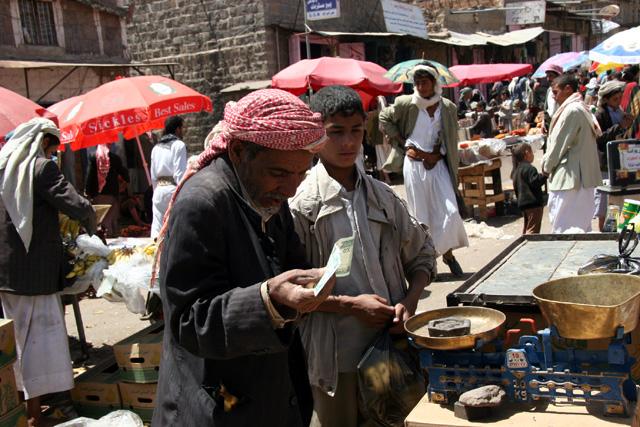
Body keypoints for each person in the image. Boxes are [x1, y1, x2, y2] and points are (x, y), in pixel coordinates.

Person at [152, 89, 337, 427]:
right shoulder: (202, 205)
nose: (291, 189)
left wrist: (309, 285)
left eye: (301, 175)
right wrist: (267, 300)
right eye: (279, 174)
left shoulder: (270, 196)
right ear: (238, 151)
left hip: (270, 396)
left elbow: (290, 265)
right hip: (217, 406)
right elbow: (189, 321)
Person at [289, 86, 437, 427]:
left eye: (355, 131)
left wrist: (410, 301)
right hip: (334, 360)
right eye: (335, 132)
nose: (348, 143)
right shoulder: (302, 206)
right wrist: (350, 305)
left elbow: (423, 254)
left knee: (392, 419)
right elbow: (289, 291)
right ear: (317, 134)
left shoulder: (383, 197)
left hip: (389, 350)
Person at [0, 118, 96, 427]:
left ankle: (19, 408)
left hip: (6, 273)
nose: (53, 154)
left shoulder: (3, 167)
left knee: (14, 344)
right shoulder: (40, 168)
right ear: (43, 142)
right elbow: (74, 203)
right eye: (53, 149)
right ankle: (34, 414)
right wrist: (90, 217)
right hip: (34, 274)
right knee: (37, 345)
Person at [380, 62, 468, 277]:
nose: (421, 87)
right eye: (417, 83)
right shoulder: (406, 103)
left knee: (450, 211)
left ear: (434, 83)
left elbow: (450, 136)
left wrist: (441, 153)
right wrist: (401, 141)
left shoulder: (447, 107)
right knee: (421, 215)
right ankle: (429, 262)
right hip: (414, 165)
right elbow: (384, 117)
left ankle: (447, 253)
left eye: (425, 82)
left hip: (437, 164)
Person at [542, 74, 603, 233]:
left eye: (556, 92)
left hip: (571, 180)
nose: (554, 97)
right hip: (579, 180)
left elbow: (558, 146)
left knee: (565, 231)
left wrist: (546, 167)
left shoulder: (572, 110)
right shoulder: (580, 108)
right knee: (580, 231)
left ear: (568, 89)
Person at [594, 80, 633, 230]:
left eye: (619, 98)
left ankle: (618, 229)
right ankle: (602, 231)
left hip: (620, 161)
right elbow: (599, 138)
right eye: (615, 99)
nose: (618, 102)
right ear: (606, 99)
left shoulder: (620, 112)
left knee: (618, 199)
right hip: (606, 163)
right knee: (604, 200)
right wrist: (619, 126)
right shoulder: (600, 115)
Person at [150, 116, 188, 238]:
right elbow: (180, 174)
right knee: (174, 229)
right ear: (177, 129)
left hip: (158, 191)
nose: (183, 131)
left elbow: (153, 176)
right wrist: (183, 193)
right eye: (182, 128)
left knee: (157, 230)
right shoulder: (179, 145)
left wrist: (156, 192)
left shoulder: (156, 148)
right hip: (172, 191)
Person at [85, 144, 129, 237]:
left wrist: (88, 192)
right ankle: (111, 236)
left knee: (102, 219)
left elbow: (89, 177)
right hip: (112, 194)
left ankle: (105, 238)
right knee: (111, 218)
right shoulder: (115, 158)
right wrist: (123, 184)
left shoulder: (94, 158)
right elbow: (125, 173)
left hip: (98, 194)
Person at [511, 143, 547, 234]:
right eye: (532, 152)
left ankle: (524, 240)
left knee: (528, 227)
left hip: (523, 205)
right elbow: (535, 182)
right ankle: (529, 242)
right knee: (533, 230)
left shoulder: (516, 171)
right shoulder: (530, 169)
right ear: (527, 153)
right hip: (533, 204)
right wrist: (544, 175)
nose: (533, 155)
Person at [543, 64, 563, 133]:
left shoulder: (564, 91)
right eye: (547, 76)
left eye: (551, 76)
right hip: (550, 124)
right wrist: (543, 122)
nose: (548, 79)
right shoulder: (549, 90)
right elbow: (546, 108)